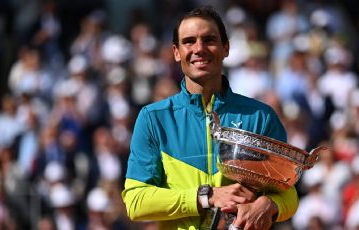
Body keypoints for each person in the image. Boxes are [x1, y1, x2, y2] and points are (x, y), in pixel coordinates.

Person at [122, 5, 298, 230]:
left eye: (209, 40)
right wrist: (207, 196)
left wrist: (269, 204)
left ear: (226, 48)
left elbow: (288, 193)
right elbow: (136, 202)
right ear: (176, 52)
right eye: (189, 41)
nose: (199, 49)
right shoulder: (153, 119)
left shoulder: (261, 116)